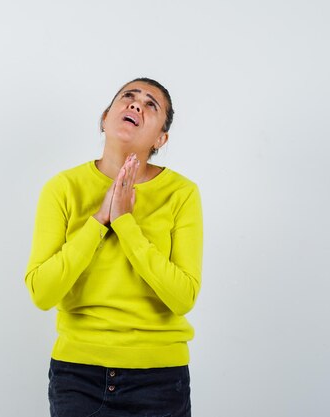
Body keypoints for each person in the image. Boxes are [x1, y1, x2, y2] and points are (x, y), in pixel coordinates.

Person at [24, 77, 203, 417]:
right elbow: (41, 293)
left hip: (160, 380)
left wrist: (124, 222)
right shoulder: (62, 188)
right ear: (105, 117)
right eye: (128, 97)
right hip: (77, 376)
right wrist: (98, 221)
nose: (136, 104)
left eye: (152, 105)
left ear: (161, 138)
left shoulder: (182, 194)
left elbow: (183, 297)